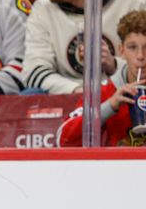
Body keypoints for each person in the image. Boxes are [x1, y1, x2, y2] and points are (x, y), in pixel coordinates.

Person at [23, 0, 146, 94]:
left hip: (125, 92)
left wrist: (113, 65)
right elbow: (34, 70)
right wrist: (77, 91)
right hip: (66, 95)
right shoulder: (43, 9)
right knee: (30, 93)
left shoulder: (137, 2)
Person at [57, 10, 146, 146]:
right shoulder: (105, 91)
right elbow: (62, 139)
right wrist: (109, 107)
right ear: (121, 50)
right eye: (132, 47)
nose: (140, 56)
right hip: (119, 161)